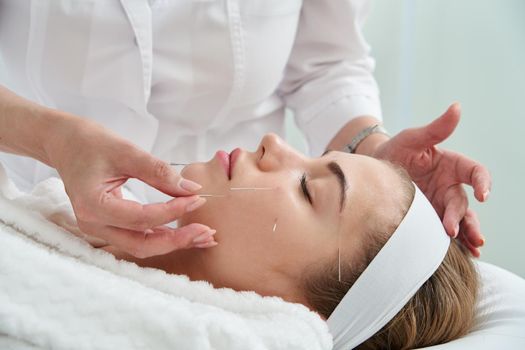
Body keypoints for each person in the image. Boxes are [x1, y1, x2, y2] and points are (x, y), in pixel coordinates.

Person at [0, 0, 490, 260]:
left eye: (309, 182)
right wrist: (50, 137)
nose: (274, 142)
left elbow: (326, 60)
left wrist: (368, 151)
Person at [97, 133, 479, 349]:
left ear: (298, 317)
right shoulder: (71, 209)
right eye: (315, 156)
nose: (273, 142)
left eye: (307, 188)